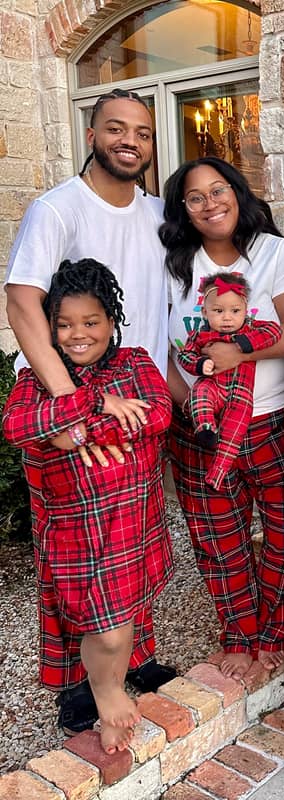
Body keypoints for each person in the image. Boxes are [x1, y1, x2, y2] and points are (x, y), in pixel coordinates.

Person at [3, 88, 175, 734]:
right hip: (67, 409)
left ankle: (135, 655)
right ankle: (81, 682)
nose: (129, 140)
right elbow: (23, 302)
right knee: (77, 557)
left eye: (142, 132)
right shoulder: (58, 208)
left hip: (137, 403)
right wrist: (70, 411)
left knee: (133, 544)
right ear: (91, 134)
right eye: (115, 128)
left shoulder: (157, 214)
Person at [160, 156, 284, 680]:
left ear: (237, 192)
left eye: (218, 189)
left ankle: (273, 632)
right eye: (195, 197)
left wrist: (239, 353)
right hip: (199, 429)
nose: (210, 203)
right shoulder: (174, 264)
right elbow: (161, 345)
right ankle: (239, 634)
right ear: (184, 209)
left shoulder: (272, 252)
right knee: (218, 541)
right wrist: (190, 402)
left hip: (272, 421)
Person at [177, 271, 282, 489]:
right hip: (212, 384)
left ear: (245, 309)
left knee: (234, 429)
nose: (227, 318)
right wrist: (199, 364)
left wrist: (242, 345)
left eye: (235, 311)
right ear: (205, 312)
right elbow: (184, 355)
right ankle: (205, 428)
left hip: (240, 392)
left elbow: (274, 331)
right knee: (199, 395)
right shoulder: (200, 335)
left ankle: (217, 473)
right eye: (218, 311)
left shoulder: (250, 328)